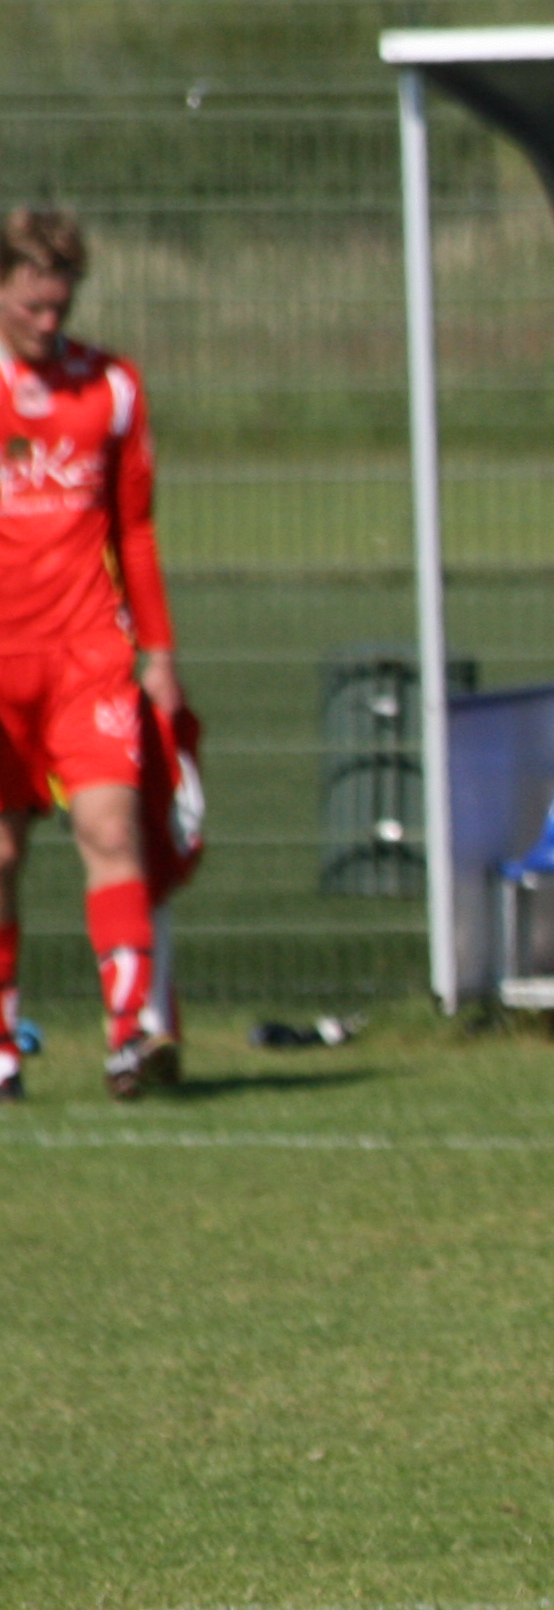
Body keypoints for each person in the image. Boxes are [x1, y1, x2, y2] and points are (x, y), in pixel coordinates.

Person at [0, 204, 188, 1101]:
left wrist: (160, 652)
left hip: (87, 654)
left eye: (61, 306)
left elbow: (135, 529)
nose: (48, 321)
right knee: (1, 858)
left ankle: (130, 1040)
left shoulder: (111, 386)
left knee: (111, 829)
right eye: (31, 304)